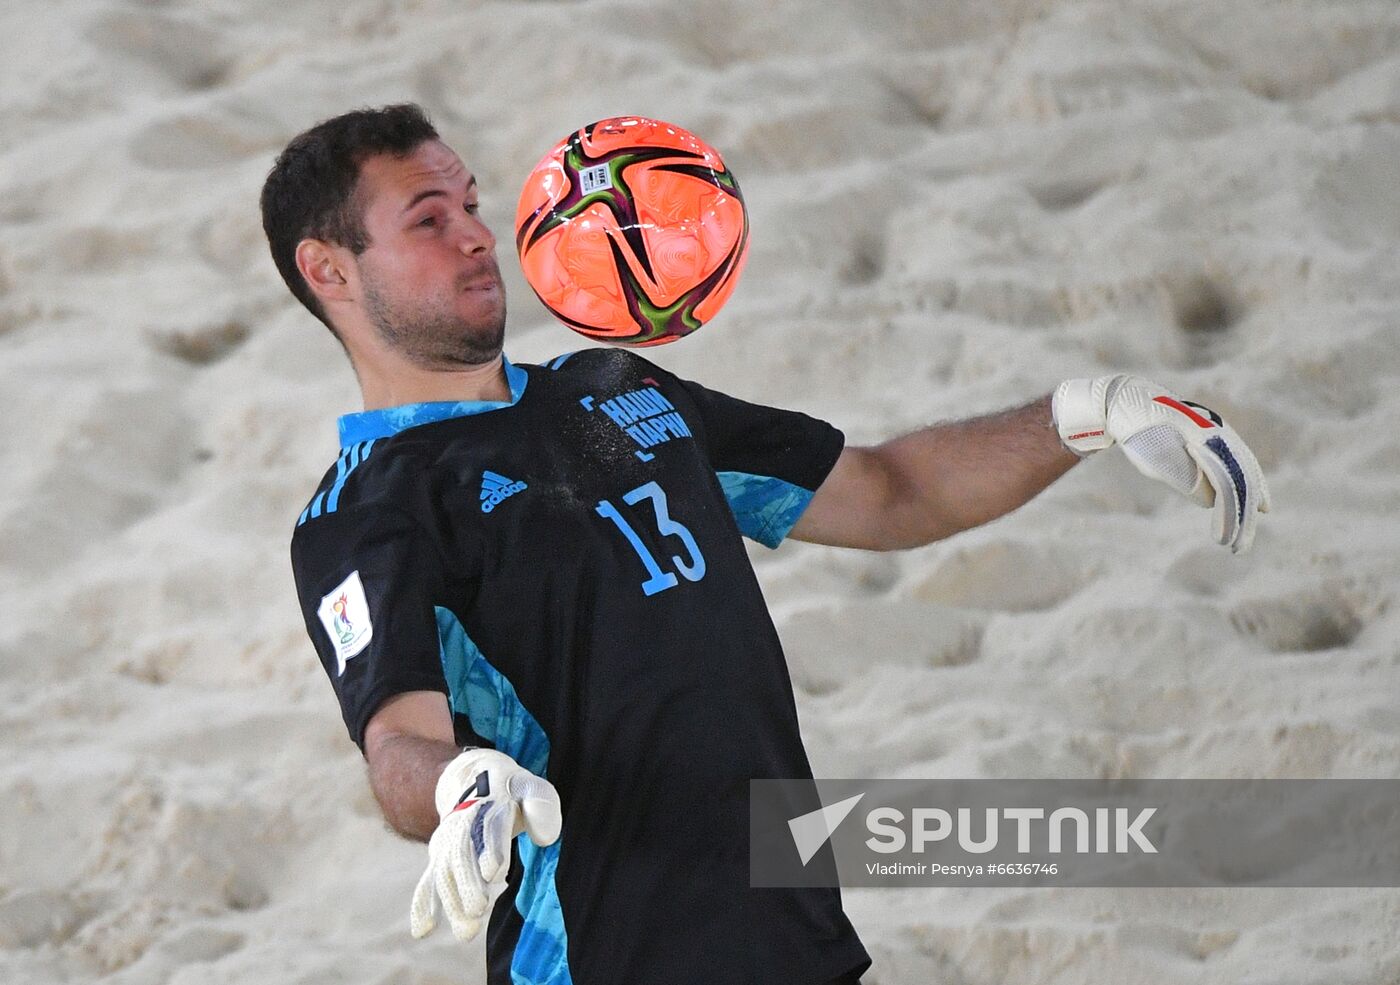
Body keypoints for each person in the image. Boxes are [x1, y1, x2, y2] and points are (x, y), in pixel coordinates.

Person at [263, 104, 1268, 985]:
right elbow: (394, 740)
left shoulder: (614, 387)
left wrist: (1077, 415)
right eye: (427, 221)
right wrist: (455, 784)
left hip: (790, 928)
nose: (478, 238)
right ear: (330, 270)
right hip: (604, 953)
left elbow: (888, 492)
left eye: (472, 204)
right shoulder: (366, 510)